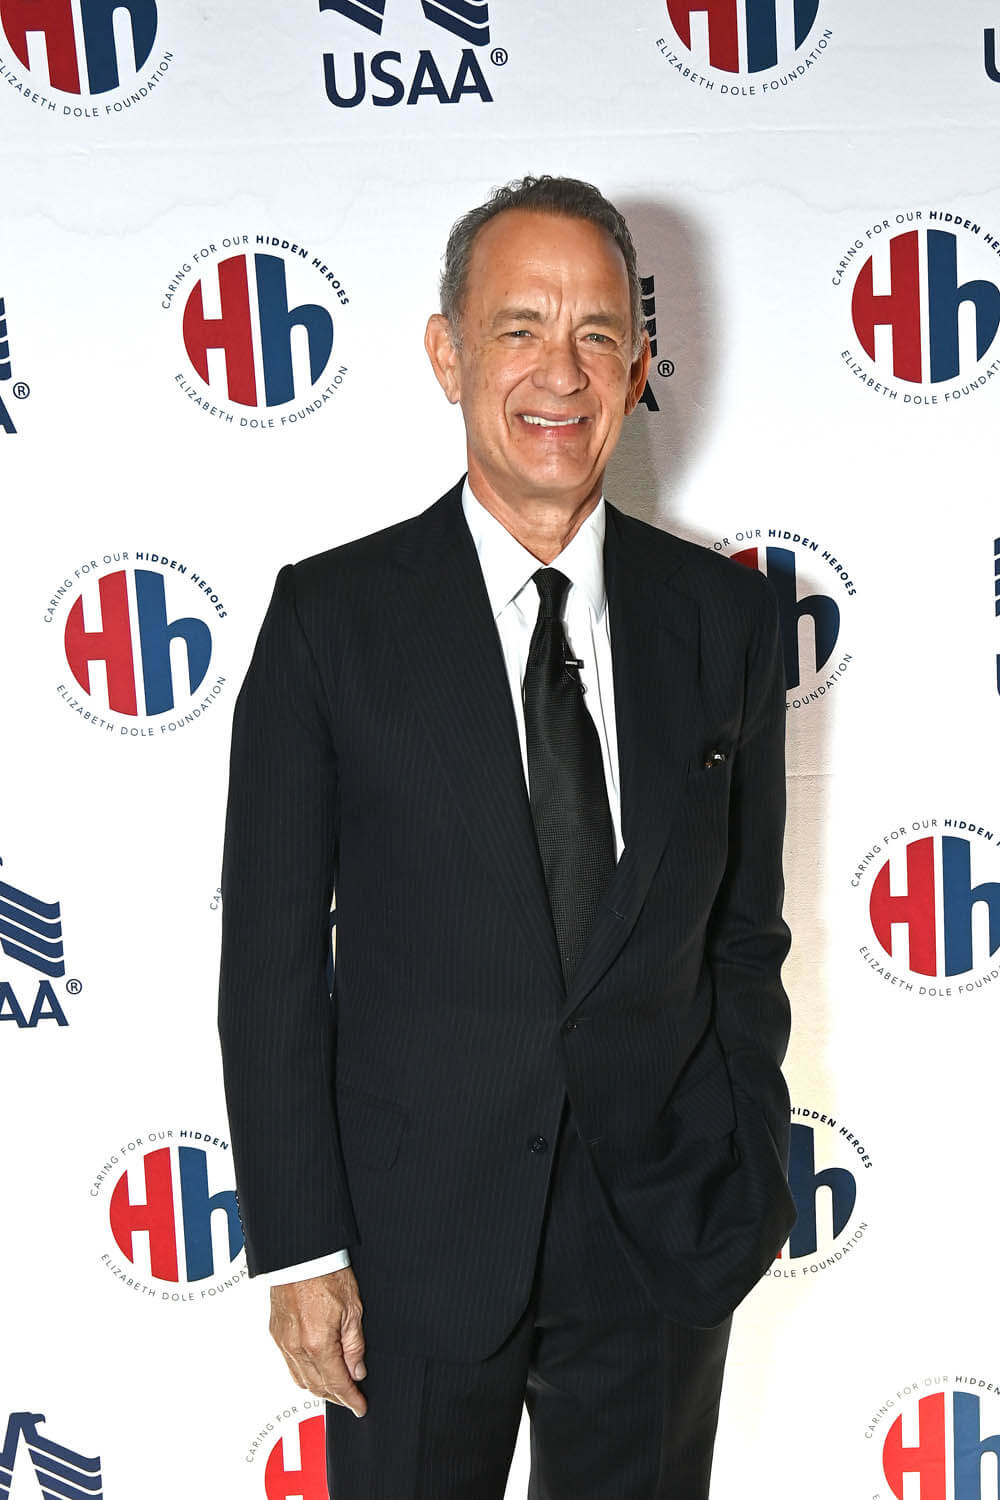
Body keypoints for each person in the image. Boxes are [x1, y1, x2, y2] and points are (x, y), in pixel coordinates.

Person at [218, 174, 795, 1500]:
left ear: (638, 366)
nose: (561, 372)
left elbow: (742, 932)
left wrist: (746, 1173)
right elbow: (271, 963)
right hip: (407, 1247)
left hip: (661, 1237)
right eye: (520, 327)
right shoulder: (330, 620)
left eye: (598, 334)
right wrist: (301, 1248)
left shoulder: (725, 620)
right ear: (448, 353)